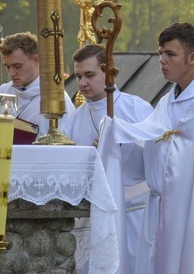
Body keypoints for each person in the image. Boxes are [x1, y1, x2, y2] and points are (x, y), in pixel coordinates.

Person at [98, 22, 194, 274]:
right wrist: (114, 142)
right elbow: (150, 160)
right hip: (159, 210)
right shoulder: (167, 102)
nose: (161, 60)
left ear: (192, 57)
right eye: (160, 53)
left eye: (170, 54)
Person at [60, 44, 154, 273]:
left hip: (134, 215)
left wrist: (118, 147)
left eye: (89, 75)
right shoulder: (73, 120)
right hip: (93, 220)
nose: (82, 83)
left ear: (109, 72)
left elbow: (157, 158)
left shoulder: (137, 109)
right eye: (79, 76)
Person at [0, 32, 76, 144]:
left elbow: (65, 142)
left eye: (17, 66)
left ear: (36, 60)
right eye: (7, 67)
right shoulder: (2, 92)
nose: (11, 73)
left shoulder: (56, 97)